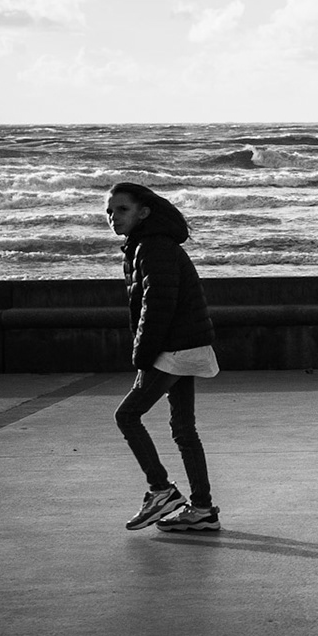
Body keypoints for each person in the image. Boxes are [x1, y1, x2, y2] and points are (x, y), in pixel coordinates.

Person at [105, 181, 222, 533]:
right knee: (184, 430)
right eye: (109, 212)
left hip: (173, 349)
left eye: (122, 210)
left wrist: (142, 358)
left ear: (144, 212)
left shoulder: (153, 247)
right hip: (183, 345)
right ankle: (201, 508)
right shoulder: (149, 245)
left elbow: (157, 307)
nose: (113, 217)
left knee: (127, 416)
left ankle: (161, 490)